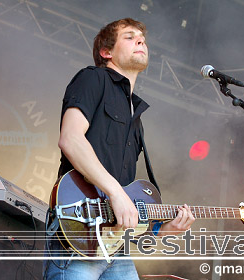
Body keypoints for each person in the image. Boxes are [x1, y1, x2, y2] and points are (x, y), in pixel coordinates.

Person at [44, 18, 195, 280]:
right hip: (80, 235)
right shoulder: (93, 78)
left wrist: (161, 230)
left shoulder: (136, 118)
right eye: (129, 36)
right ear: (107, 52)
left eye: (143, 38)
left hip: (116, 246)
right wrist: (115, 192)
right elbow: (70, 139)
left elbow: (126, 202)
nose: (141, 41)